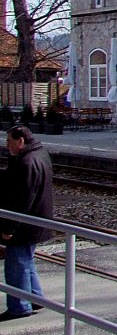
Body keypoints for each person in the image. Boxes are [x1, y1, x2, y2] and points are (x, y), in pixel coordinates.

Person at [1, 125, 54, 321]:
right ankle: (35, 297)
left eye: (9, 142)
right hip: (38, 220)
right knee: (26, 261)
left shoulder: (27, 162)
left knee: (16, 264)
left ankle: (19, 306)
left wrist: (8, 227)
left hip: (26, 224)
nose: (7, 146)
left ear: (21, 141)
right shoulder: (39, 154)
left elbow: (21, 199)